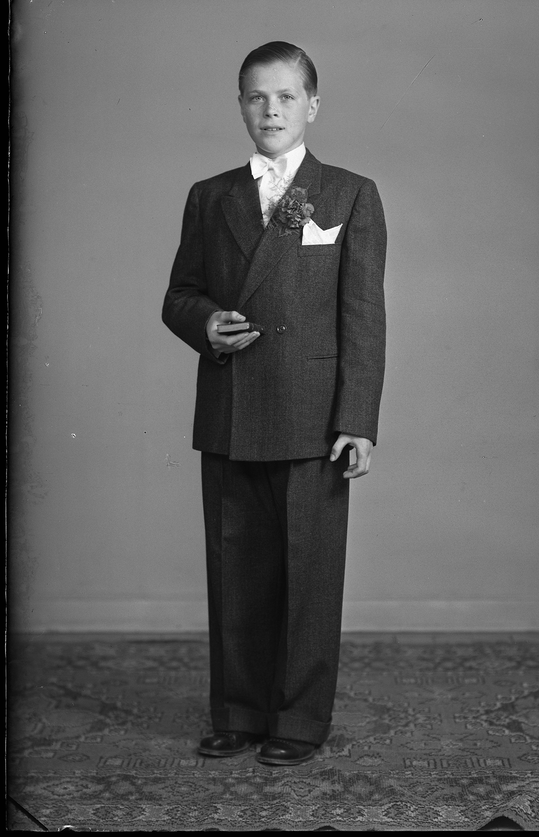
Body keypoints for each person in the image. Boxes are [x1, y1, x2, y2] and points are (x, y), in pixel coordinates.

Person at [163, 41, 387, 766]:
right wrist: (206, 323)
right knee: (236, 570)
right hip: (231, 406)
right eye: (257, 96)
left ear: (312, 105)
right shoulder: (210, 195)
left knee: (308, 576)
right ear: (240, 106)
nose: (271, 110)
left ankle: (298, 720)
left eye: (286, 96)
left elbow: (363, 317)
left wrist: (357, 420)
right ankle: (236, 711)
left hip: (311, 414)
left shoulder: (349, 193)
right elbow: (180, 294)